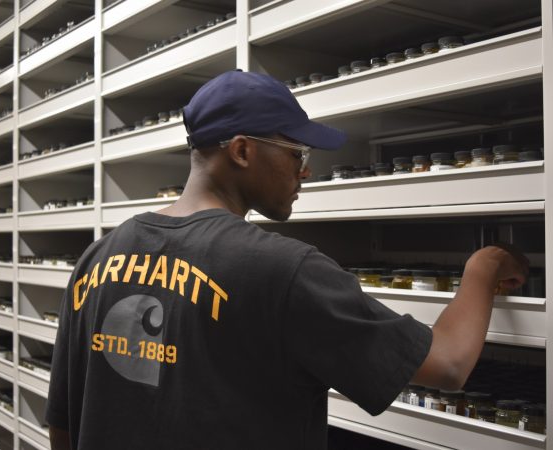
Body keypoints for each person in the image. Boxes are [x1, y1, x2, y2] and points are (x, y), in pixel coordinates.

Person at [46, 70, 529, 450]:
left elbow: (65, 425)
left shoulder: (99, 257)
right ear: (241, 151)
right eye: (296, 152)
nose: (306, 169)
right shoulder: (281, 269)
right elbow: (447, 365)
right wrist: (484, 266)